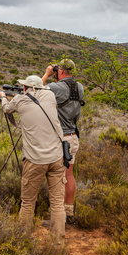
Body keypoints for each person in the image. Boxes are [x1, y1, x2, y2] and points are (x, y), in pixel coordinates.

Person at [0, 75, 66, 243]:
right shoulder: (50, 95)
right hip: (57, 157)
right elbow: (42, 90)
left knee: (28, 203)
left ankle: (23, 242)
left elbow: (6, 109)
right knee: (57, 203)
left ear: (26, 88)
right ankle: (57, 243)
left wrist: (3, 96)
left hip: (35, 160)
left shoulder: (20, 100)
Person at [42, 59, 84, 225]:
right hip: (73, 136)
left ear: (60, 71)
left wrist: (46, 75)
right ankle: (68, 213)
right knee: (69, 175)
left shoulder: (55, 87)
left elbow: (34, 91)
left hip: (61, 139)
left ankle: (57, 218)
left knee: (58, 177)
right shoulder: (79, 87)